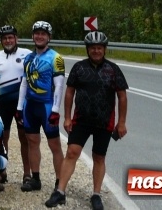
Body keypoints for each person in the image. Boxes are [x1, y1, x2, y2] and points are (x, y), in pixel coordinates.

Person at [45, 31, 128, 210]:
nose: (96, 51)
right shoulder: (79, 67)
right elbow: (69, 92)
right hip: (81, 120)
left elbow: (122, 96)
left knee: (99, 157)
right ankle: (60, 191)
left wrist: (121, 123)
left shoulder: (113, 69)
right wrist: (67, 117)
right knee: (72, 153)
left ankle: (96, 195)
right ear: (87, 49)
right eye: (92, 48)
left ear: (104, 49)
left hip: (104, 122)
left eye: (99, 48)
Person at [16, 21, 66, 193]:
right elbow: (23, 83)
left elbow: (59, 86)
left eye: (43, 34)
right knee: (32, 142)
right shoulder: (28, 58)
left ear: (49, 37)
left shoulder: (55, 58)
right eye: (36, 33)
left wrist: (55, 111)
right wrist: (19, 107)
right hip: (30, 106)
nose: (39, 36)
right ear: (32, 36)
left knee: (55, 145)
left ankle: (60, 183)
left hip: (46, 107)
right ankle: (35, 179)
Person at [0, 24, 32, 191]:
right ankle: (2, 170)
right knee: (1, 138)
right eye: (4, 38)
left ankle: (27, 173)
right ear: (1, 40)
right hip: (3, 104)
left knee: (24, 138)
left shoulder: (27, 54)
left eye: (10, 37)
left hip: (23, 105)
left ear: (16, 38)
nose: (8, 40)